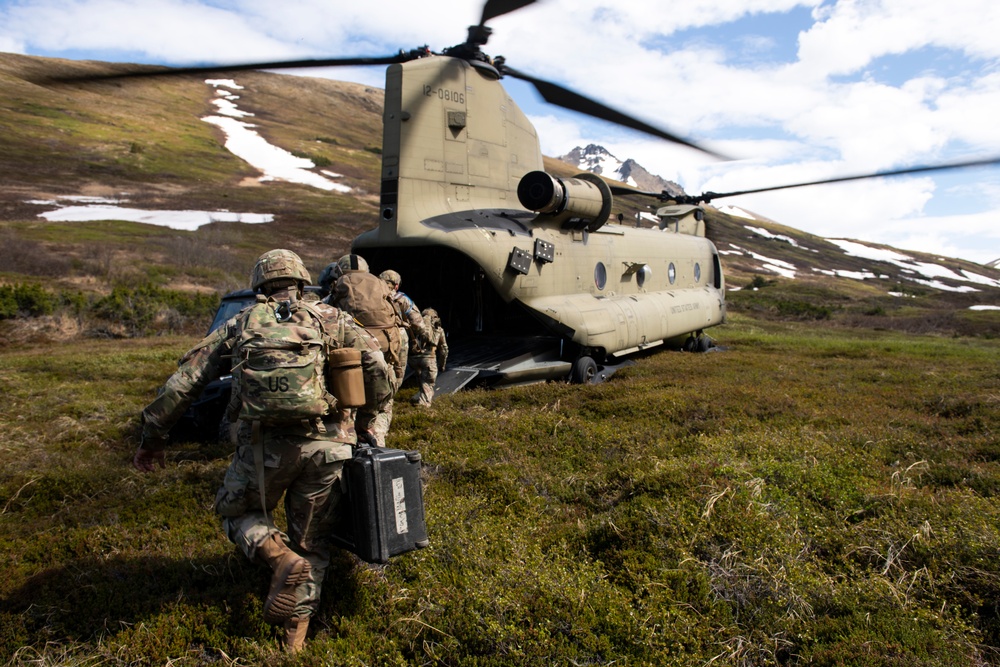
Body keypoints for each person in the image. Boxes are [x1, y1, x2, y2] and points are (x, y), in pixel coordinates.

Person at [133, 249, 393, 653]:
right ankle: (294, 641)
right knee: (312, 543)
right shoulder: (332, 319)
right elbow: (377, 366)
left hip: (264, 447)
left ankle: (276, 557)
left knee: (235, 512)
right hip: (328, 447)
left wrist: (153, 438)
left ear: (259, 284)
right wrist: (369, 422)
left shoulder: (241, 324)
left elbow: (184, 382)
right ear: (303, 281)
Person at [327, 254, 400, 441]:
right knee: (377, 417)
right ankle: (376, 450)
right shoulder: (379, 285)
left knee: (346, 417)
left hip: (347, 362)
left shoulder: (338, 287)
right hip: (383, 355)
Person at [378, 269, 432, 377]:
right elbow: (420, 326)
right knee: (396, 378)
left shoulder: (369, 298)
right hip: (396, 344)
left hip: (373, 343)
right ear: (396, 286)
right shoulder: (402, 299)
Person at [409, 307, 448, 407]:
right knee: (427, 383)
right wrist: (442, 365)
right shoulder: (438, 330)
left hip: (413, 359)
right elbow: (444, 350)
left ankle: (419, 401)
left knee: (421, 380)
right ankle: (423, 409)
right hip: (428, 359)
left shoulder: (414, 327)